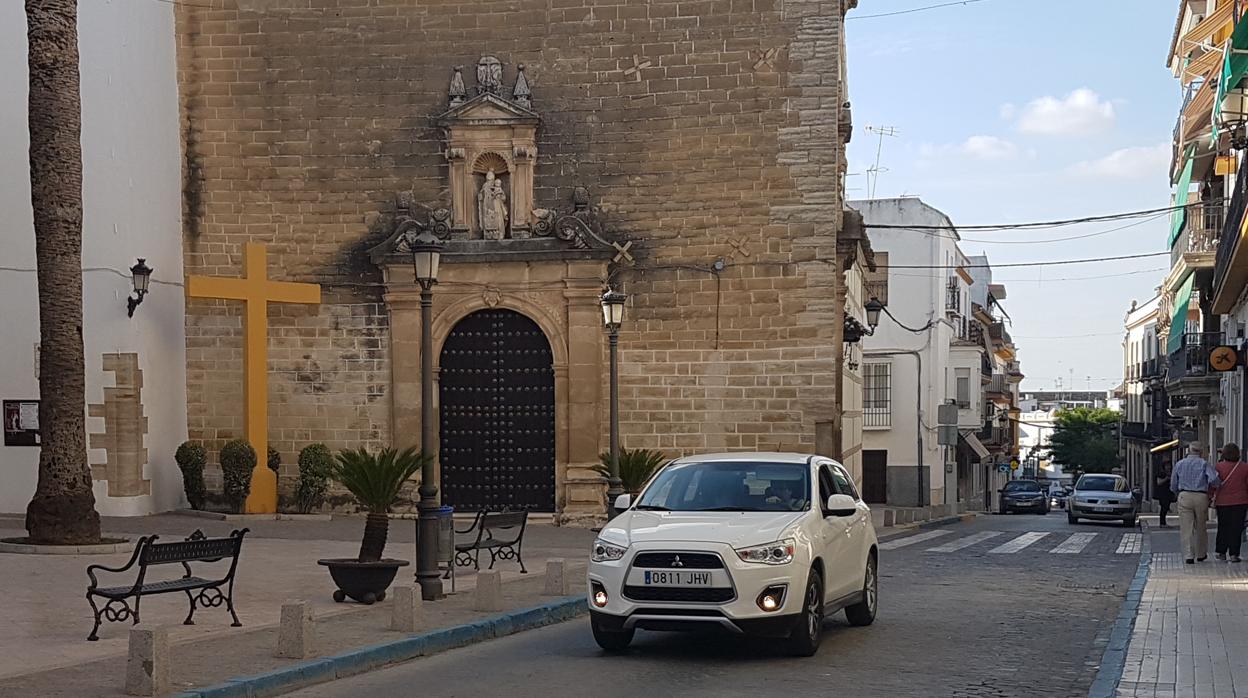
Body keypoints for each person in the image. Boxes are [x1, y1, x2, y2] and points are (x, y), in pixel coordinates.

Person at [1172, 444, 1221, 564]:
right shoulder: (1204, 464)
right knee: (1201, 526)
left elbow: (1173, 483)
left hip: (1185, 495)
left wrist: (1178, 492)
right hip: (1201, 496)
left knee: (1186, 527)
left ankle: (1189, 555)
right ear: (1201, 452)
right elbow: (1214, 480)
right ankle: (1201, 554)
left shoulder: (1180, 464)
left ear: (1189, 450)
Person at [1213, 443, 1248, 563]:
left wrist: (1210, 497)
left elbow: (1214, 484)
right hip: (1240, 501)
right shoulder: (1244, 467)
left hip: (1222, 501)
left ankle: (1221, 551)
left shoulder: (1218, 467)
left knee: (1223, 527)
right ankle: (1234, 554)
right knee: (1236, 528)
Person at [1154, 461, 1174, 527]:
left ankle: (1164, 523)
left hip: (1168, 493)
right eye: (1167, 465)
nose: (1168, 467)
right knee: (1163, 508)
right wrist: (1166, 479)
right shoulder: (1161, 474)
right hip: (1162, 494)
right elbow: (1159, 482)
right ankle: (1162, 523)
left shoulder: (1171, 473)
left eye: (1169, 465)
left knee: (1166, 508)